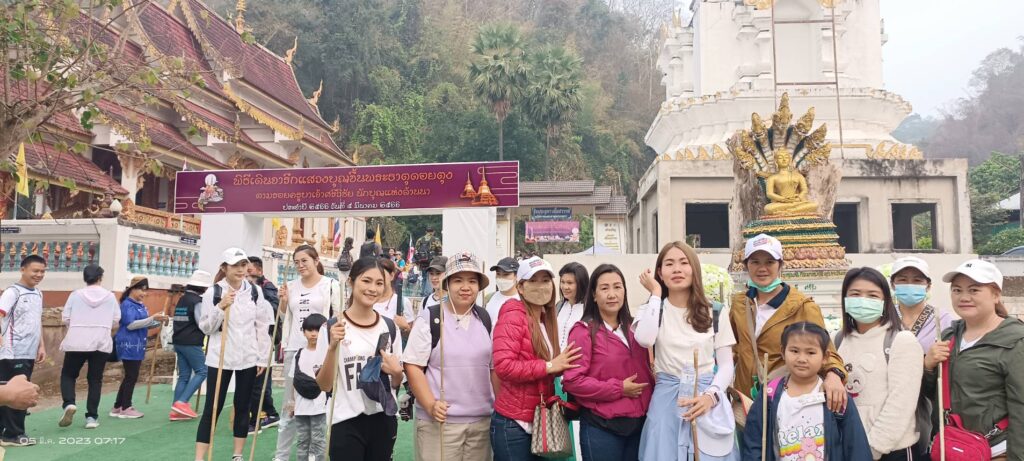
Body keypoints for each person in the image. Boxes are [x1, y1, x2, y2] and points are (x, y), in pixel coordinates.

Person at [634, 242, 739, 460]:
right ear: (660, 273)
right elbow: (644, 339)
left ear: (694, 269)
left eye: (684, 262)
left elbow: (726, 364)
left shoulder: (715, 311)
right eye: (669, 264)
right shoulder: (653, 309)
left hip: (706, 399)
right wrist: (655, 293)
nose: (677, 269)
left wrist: (711, 396)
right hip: (666, 400)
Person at [729, 234, 847, 411]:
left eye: (770, 262)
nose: (762, 268)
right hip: (745, 402)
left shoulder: (803, 307)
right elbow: (733, 346)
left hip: (784, 401)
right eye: (755, 262)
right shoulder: (740, 304)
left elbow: (827, 352)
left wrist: (834, 375)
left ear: (780, 265)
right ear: (746, 265)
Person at [922, 259, 1023, 460]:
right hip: (955, 448)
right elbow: (933, 395)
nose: (964, 297)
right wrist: (929, 366)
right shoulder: (949, 336)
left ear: (996, 295)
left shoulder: (1016, 341)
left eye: (974, 290)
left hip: (997, 451)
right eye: (957, 290)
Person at [404, 251, 495, 461]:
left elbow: (492, 368)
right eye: (458, 280)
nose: (465, 287)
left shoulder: (484, 318)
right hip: (439, 423)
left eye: (472, 281)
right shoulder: (430, 317)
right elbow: (413, 365)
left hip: (481, 423)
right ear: (447, 284)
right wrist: (430, 404)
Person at [491, 256, 582, 461]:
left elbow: (548, 366)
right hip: (514, 424)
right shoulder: (513, 315)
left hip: (539, 421)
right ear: (520, 287)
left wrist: (565, 365)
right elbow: (504, 366)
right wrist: (549, 366)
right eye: (533, 281)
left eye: (545, 280)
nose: (540, 286)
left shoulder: (545, 318)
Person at [316, 257, 404, 460]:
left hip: (383, 419)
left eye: (379, 283)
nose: (372, 288)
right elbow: (324, 385)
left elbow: (396, 384)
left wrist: (397, 373)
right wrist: (332, 348)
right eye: (366, 281)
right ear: (351, 282)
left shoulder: (390, 328)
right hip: (345, 421)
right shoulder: (331, 327)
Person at [563, 264, 653, 461]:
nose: (612, 294)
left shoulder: (637, 328)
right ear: (594, 295)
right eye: (604, 288)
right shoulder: (583, 331)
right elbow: (572, 381)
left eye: (617, 287)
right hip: (601, 427)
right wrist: (618, 388)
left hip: (639, 426)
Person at [743, 322, 871, 460]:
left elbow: (856, 444)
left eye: (810, 353)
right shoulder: (769, 394)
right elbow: (753, 441)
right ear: (783, 352)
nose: (802, 359)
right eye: (794, 351)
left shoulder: (835, 395)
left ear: (825, 357)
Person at [193, 248, 273, 461]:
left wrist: (262, 357)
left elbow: (262, 326)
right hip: (220, 358)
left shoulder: (255, 291)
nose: (240, 269)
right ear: (224, 267)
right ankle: (199, 458)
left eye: (243, 264)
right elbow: (206, 328)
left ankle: (237, 455)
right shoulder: (213, 292)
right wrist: (221, 307)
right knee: (213, 407)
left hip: (248, 358)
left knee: (243, 406)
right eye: (235, 265)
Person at [834, 267, 922, 460]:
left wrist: (871, 449)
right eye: (855, 294)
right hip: (849, 449)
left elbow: (901, 404)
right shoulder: (838, 340)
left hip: (891, 451)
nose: (863, 300)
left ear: (885, 302)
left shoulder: (901, 340)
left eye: (872, 295)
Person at [275, 245, 340, 461]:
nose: (300, 265)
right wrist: (283, 302)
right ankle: (281, 456)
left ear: (316, 260)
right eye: (297, 262)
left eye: (304, 261)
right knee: (290, 404)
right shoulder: (291, 286)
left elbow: (339, 316)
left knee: (321, 403)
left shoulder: (330, 285)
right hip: (295, 349)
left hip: (322, 352)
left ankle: (316, 454)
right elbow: (285, 319)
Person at [888, 256, 952, 457]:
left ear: (928, 286)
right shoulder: (884, 317)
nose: (910, 285)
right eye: (903, 280)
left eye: (917, 280)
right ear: (893, 284)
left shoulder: (941, 319)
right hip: (888, 398)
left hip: (925, 401)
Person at [58, 264, 120, 429]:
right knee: (95, 380)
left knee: (68, 375)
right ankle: (92, 417)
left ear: (85, 278)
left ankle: (69, 403)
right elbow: (116, 320)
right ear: (100, 278)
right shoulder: (110, 297)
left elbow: (65, 318)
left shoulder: (75, 295)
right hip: (101, 341)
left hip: (77, 341)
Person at [0, 255, 47, 446]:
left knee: (18, 391)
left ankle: (7, 432)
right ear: (23, 269)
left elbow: (37, 321)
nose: (39, 274)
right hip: (11, 353)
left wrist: (41, 345)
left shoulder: (38, 293)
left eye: (42, 271)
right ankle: (13, 434)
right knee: (17, 392)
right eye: (35, 270)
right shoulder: (13, 292)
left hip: (28, 352)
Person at [111, 276, 166, 420]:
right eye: (141, 290)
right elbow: (130, 325)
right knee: (131, 376)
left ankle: (118, 406)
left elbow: (144, 324)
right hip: (129, 344)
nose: (144, 293)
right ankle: (126, 407)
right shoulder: (127, 305)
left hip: (137, 344)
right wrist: (152, 318)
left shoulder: (139, 305)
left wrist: (158, 322)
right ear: (132, 289)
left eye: (145, 290)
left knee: (129, 376)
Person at [169, 270, 212, 422]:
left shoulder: (182, 299)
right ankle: (182, 402)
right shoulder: (197, 302)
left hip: (178, 341)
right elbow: (202, 323)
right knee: (202, 371)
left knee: (184, 376)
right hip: (191, 342)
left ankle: (175, 410)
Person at [246, 256, 281, 432]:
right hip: (251, 340)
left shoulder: (267, 287)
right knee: (258, 382)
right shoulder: (245, 287)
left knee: (261, 381)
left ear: (259, 271)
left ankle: (262, 416)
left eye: (249, 271)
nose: (246, 275)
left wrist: (257, 303)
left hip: (265, 338)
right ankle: (270, 412)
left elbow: (274, 309)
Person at [290, 313, 328, 461]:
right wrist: (292, 403)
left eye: (318, 330)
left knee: (319, 441)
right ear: (303, 331)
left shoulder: (327, 354)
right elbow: (294, 380)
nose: (314, 334)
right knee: (302, 441)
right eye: (310, 330)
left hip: (320, 406)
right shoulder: (298, 354)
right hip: (301, 407)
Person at [557, 263, 589, 352]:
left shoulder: (589, 310)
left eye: (570, 283)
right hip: (555, 359)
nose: (565, 287)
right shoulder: (558, 306)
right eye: (562, 282)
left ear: (581, 284)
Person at [375, 258, 412, 335]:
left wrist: (405, 327)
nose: (379, 280)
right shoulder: (367, 301)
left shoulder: (403, 302)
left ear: (392, 276)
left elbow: (412, 335)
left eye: (383, 275)